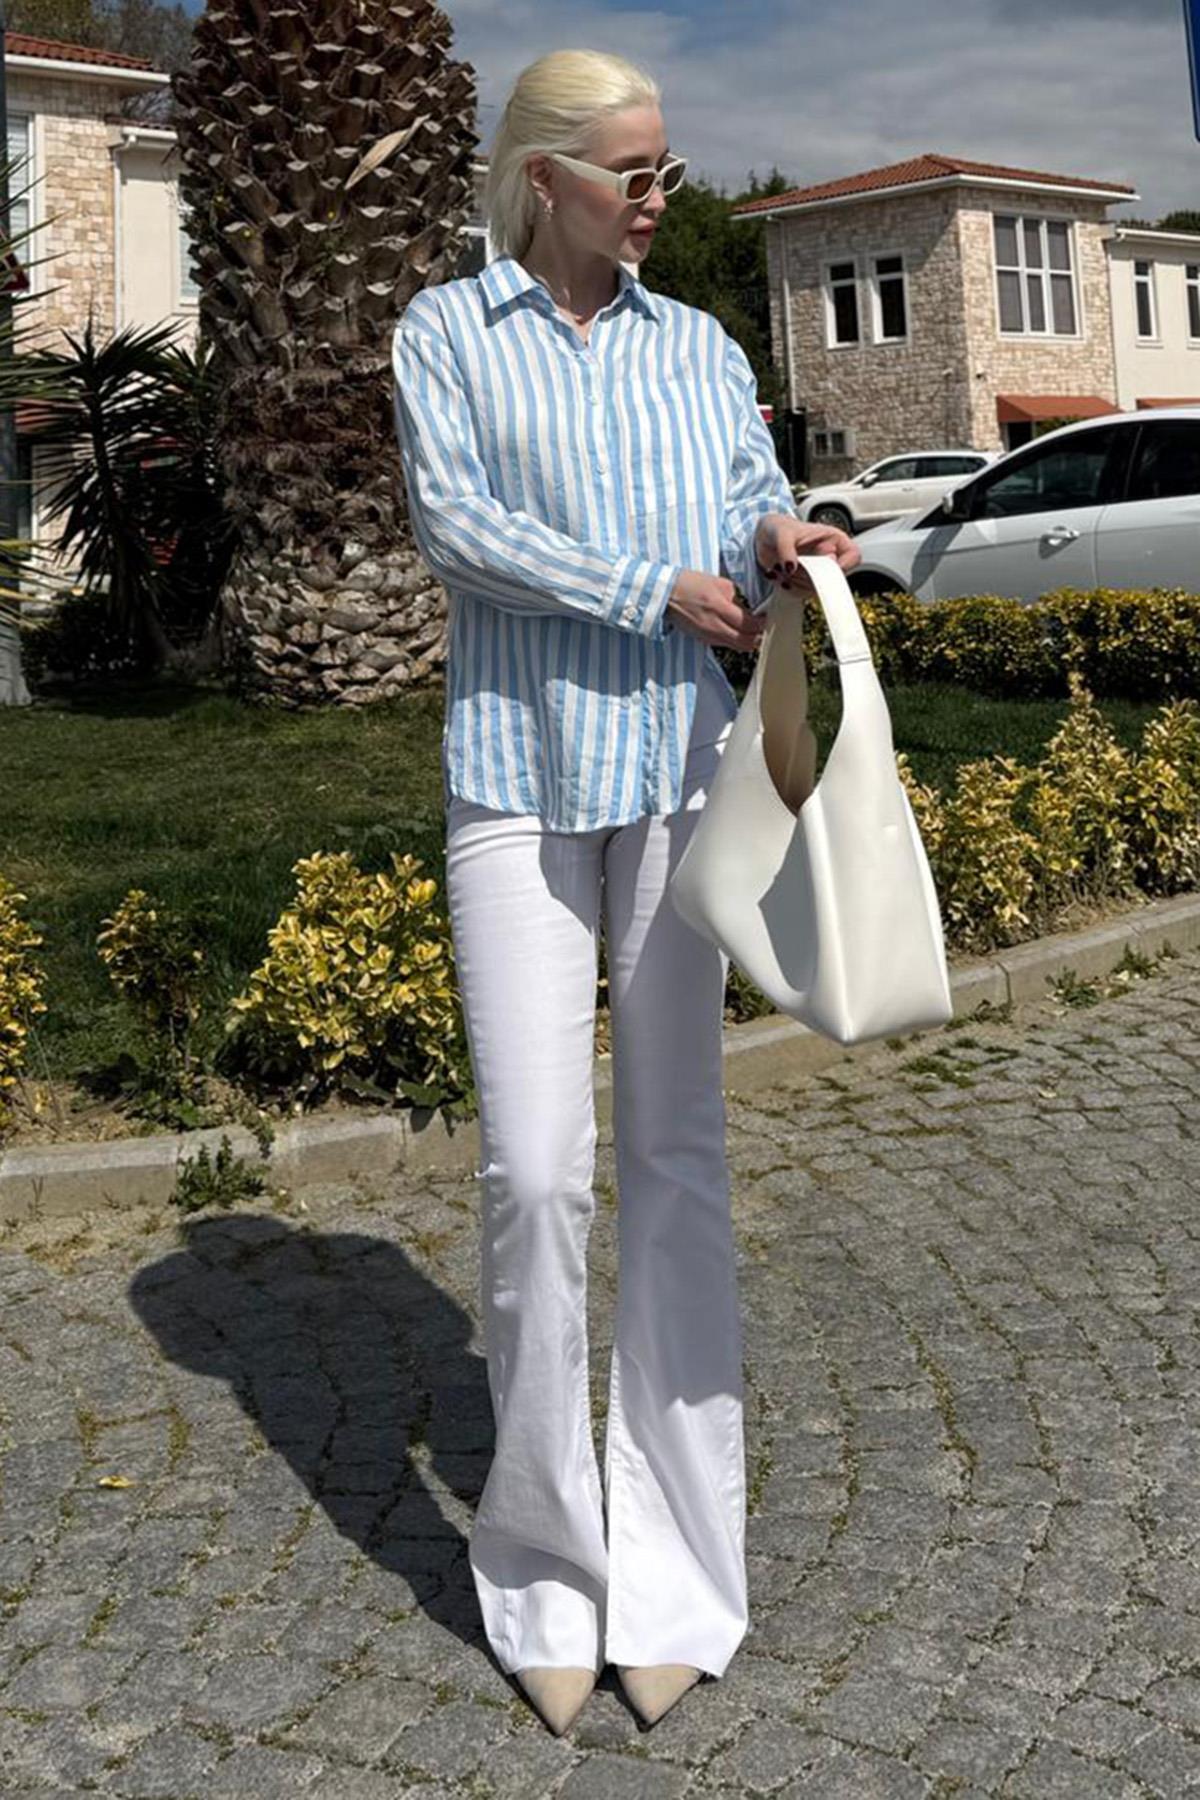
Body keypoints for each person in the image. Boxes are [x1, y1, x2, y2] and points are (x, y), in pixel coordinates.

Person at [390, 47, 860, 1738]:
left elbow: (740, 507)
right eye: (633, 172)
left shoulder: (703, 346)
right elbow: (456, 526)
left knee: (676, 1163)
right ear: (546, 178)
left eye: (666, 168)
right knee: (535, 1177)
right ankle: (541, 1574)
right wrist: (644, 590)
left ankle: (674, 1575)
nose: (661, 196)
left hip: (678, 783)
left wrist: (780, 544)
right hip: (514, 786)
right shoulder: (447, 332)